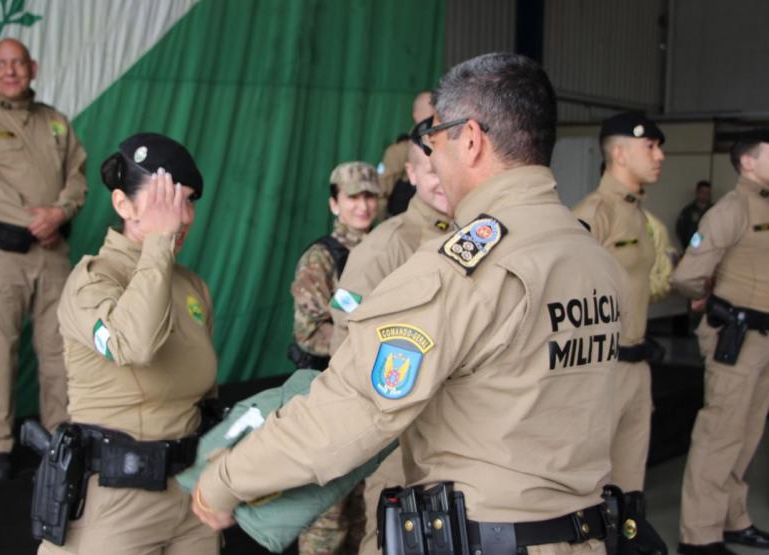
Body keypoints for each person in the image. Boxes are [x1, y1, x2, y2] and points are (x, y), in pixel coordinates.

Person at [193, 52, 628, 555]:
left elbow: (352, 409)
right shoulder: (588, 253)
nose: (433, 159)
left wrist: (225, 477)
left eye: (434, 140)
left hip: (484, 539)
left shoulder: (461, 268)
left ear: (470, 139)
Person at [38, 133, 218, 554]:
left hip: (191, 498)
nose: (182, 218)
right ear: (122, 204)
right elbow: (133, 345)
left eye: (188, 202)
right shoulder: (92, 281)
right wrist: (158, 242)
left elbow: (206, 397)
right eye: (166, 204)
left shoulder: (192, 286)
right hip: (118, 503)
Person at [0, 38, 87, 481]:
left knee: (59, 352)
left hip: (53, 257)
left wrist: (60, 213)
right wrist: (38, 220)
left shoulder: (56, 123)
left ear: (33, 67)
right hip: (2, 257)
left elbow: (77, 179)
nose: (10, 71)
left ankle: (60, 438)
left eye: (18, 63)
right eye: (1, 65)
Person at [329, 126, 452, 555]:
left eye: (447, 167)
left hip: (468, 442)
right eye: (429, 170)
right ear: (411, 175)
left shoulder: (481, 238)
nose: (441, 180)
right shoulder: (383, 250)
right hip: (402, 446)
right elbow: (346, 354)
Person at [572, 112, 667, 554]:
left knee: (630, 486)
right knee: (588, 483)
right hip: (602, 369)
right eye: (651, 146)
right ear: (618, 152)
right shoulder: (596, 212)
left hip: (636, 364)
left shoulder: (642, 217)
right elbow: (568, 284)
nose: (660, 156)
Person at [672, 128, 769, 555]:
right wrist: (710, 299)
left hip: (762, 340)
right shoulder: (730, 210)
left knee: (747, 435)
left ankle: (733, 520)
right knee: (719, 436)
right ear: (748, 162)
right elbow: (687, 275)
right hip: (736, 337)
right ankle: (700, 535)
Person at [288, 161, 378, 372]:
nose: (363, 206)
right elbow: (312, 327)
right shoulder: (320, 257)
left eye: (369, 196)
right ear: (334, 204)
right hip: (333, 370)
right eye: (353, 197)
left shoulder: (387, 247)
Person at [377, 91, 434, 218]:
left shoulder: (447, 148)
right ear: (415, 115)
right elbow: (380, 194)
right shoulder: (400, 151)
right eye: (430, 114)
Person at [676, 180, 712, 249]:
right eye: (702, 192)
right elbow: (680, 230)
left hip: (710, 248)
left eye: (707, 193)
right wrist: (687, 245)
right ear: (697, 192)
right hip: (691, 247)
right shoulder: (688, 211)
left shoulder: (714, 210)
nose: (705, 195)